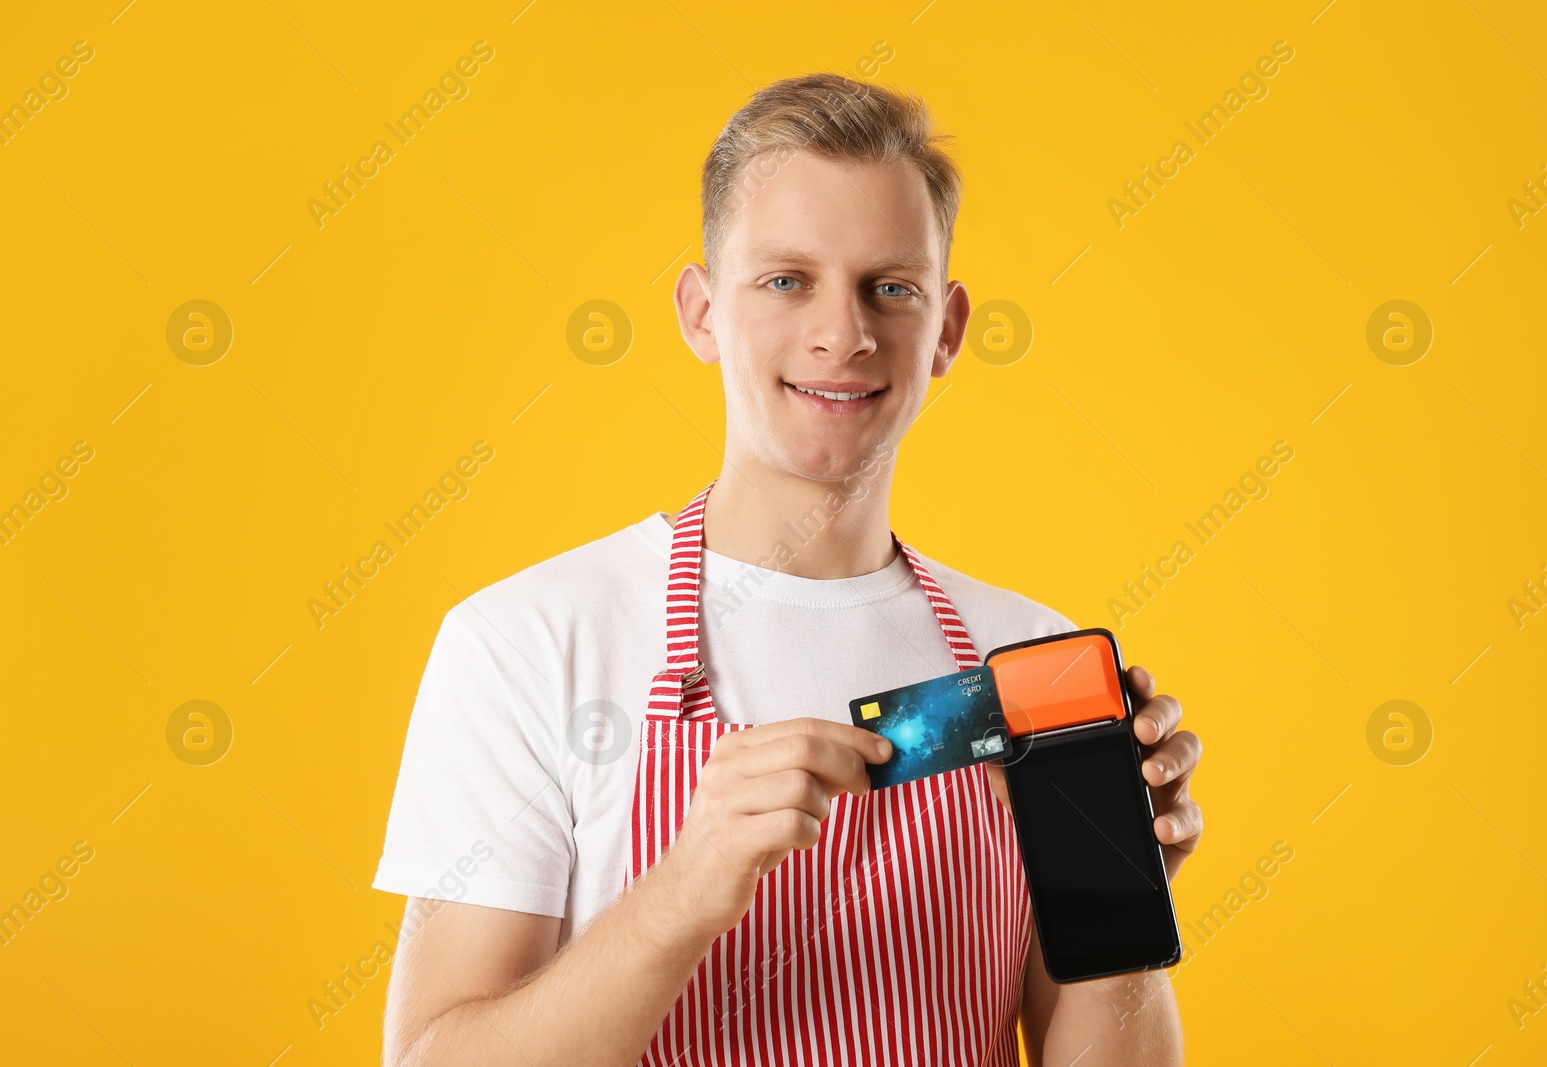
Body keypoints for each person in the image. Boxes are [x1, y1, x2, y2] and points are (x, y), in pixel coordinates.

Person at [373, 71, 1203, 1066]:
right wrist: (689, 884)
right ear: (700, 311)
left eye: (889, 287)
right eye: (785, 280)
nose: (841, 333)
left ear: (944, 329)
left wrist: (1121, 899)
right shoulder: (527, 643)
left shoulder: (1024, 657)